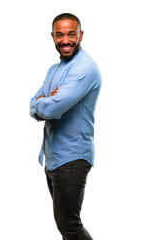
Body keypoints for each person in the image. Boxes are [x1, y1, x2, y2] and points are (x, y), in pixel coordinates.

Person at [30, 13, 101, 240]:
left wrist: (45, 103)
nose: (66, 40)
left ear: (81, 35)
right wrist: (45, 102)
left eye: (71, 34)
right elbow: (34, 104)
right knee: (66, 226)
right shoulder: (55, 69)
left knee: (70, 225)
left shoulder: (84, 68)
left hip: (72, 158)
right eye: (60, 35)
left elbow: (50, 110)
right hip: (54, 157)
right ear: (53, 37)